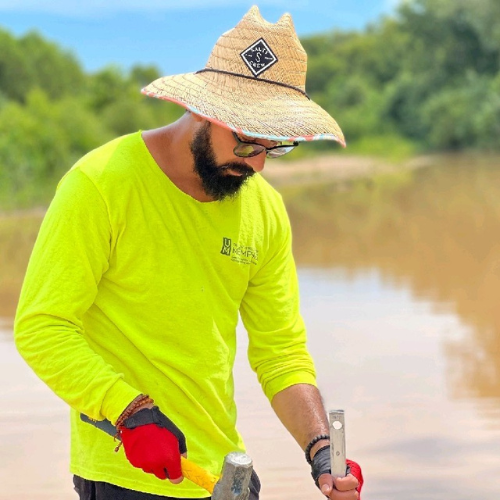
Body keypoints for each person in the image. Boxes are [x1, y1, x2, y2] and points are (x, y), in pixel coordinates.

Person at [14, 5, 364, 500]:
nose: (258, 165)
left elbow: (281, 353)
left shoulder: (265, 211)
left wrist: (321, 449)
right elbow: (42, 326)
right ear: (204, 110)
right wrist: (127, 409)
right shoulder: (100, 184)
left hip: (223, 473)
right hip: (127, 473)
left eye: (275, 146)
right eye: (246, 142)